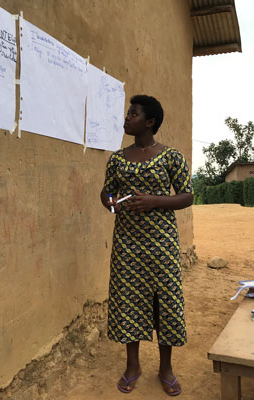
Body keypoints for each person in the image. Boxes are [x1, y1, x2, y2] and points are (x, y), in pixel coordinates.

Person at [100, 95, 194, 396]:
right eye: (129, 113)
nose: (127, 117)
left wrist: (154, 201)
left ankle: (165, 369)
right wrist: (110, 203)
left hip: (161, 244)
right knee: (128, 300)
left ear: (150, 122)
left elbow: (187, 196)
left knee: (164, 301)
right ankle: (133, 366)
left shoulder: (171, 157)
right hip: (127, 244)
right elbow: (106, 192)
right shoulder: (117, 159)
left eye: (134, 113)